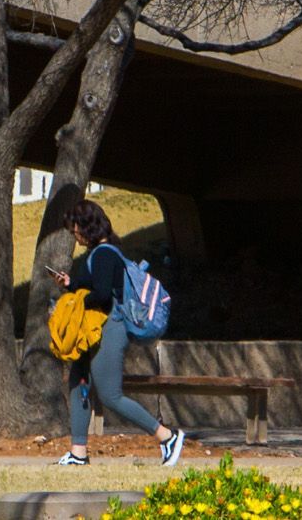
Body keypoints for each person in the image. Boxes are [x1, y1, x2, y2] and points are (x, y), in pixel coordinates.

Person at [48, 199, 185, 466]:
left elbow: (101, 295)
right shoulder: (99, 255)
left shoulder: (104, 254)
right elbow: (92, 287)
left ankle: (167, 436)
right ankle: (78, 453)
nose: (74, 235)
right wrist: (70, 285)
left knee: (110, 395)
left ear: (85, 226)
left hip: (109, 327)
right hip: (91, 329)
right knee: (79, 383)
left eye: (75, 229)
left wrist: (74, 303)